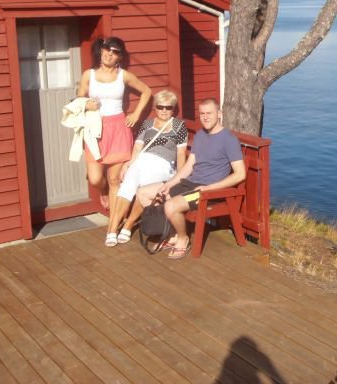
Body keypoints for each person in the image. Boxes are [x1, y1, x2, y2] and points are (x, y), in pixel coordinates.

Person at [141, 97, 246, 259]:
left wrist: (209, 188)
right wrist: (170, 184)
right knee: (143, 193)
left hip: (208, 192)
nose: (205, 117)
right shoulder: (200, 136)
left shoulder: (229, 140)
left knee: (171, 206)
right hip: (190, 184)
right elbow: (189, 166)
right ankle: (171, 234)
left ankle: (183, 238)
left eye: (209, 113)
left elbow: (240, 174)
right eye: (202, 113)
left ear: (219, 114)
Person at [77, 37, 152, 245]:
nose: (110, 54)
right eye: (107, 50)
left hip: (119, 128)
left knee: (114, 180)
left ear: (119, 56)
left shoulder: (123, 75)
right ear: (100, 51)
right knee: (95, 178)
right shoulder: (89, 75)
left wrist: (136, 114)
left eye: (115, 52)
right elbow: (79, 98)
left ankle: (112, 227)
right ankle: (103, 192)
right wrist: (86, 104)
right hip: (95, 129)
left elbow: (146, 91)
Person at [105, 90, 188, 247]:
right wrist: (129, 164)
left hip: (163, 164)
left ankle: (128, 225)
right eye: (160, 107)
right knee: (128, 184)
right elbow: (138, 147)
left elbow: (181, 153)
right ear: (155, 107)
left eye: (168, 107)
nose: (164, 110)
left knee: (144, 187)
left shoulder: (179, 126)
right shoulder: (147, 124)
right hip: (142, 161)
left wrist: (180, 177)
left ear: (173, 109)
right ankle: (112, 229)